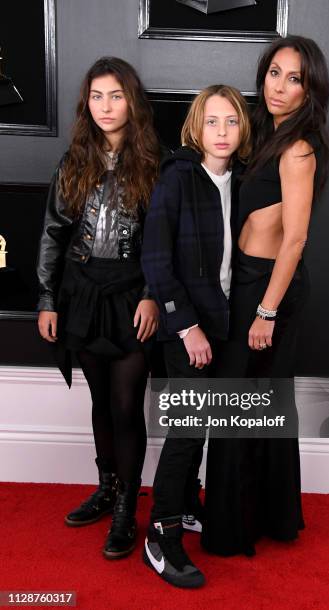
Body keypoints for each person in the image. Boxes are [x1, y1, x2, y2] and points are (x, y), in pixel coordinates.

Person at [202, 35, 329, 557]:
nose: (279, 86)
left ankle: (237, 527)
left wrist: (266, 311)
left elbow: (296, 238)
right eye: (274, 72)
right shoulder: (265, 132)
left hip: (268, 290)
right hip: (251, 281)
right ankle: (262, 517)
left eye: (294, 78)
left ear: (309, 89)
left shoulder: (298, 147)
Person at [37, 57, 161, 559]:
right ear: (85, 103)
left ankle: (128, 507)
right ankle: (107, 488)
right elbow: (52, 233)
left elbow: (163, 242)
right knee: (100, 401)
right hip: (82, 293)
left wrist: (154, 293)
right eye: (96, 96)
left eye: (115, 95)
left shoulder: (157, 163)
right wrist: (47, 299)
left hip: (133, 295)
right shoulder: (73, 161)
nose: (106, 106)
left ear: (132, 101)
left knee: (127, 403)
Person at [141, 85, 251, 587]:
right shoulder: (179, 177)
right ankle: (160, 536)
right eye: (212, 122)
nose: (222, 132)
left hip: (227, 322)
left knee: (203, 427)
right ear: (195, 127)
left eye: (231, 121)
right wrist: (186, 327)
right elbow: (157, 260)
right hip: (188, 328)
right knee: (185, 432)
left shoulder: (245, 179)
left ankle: (187, 504)